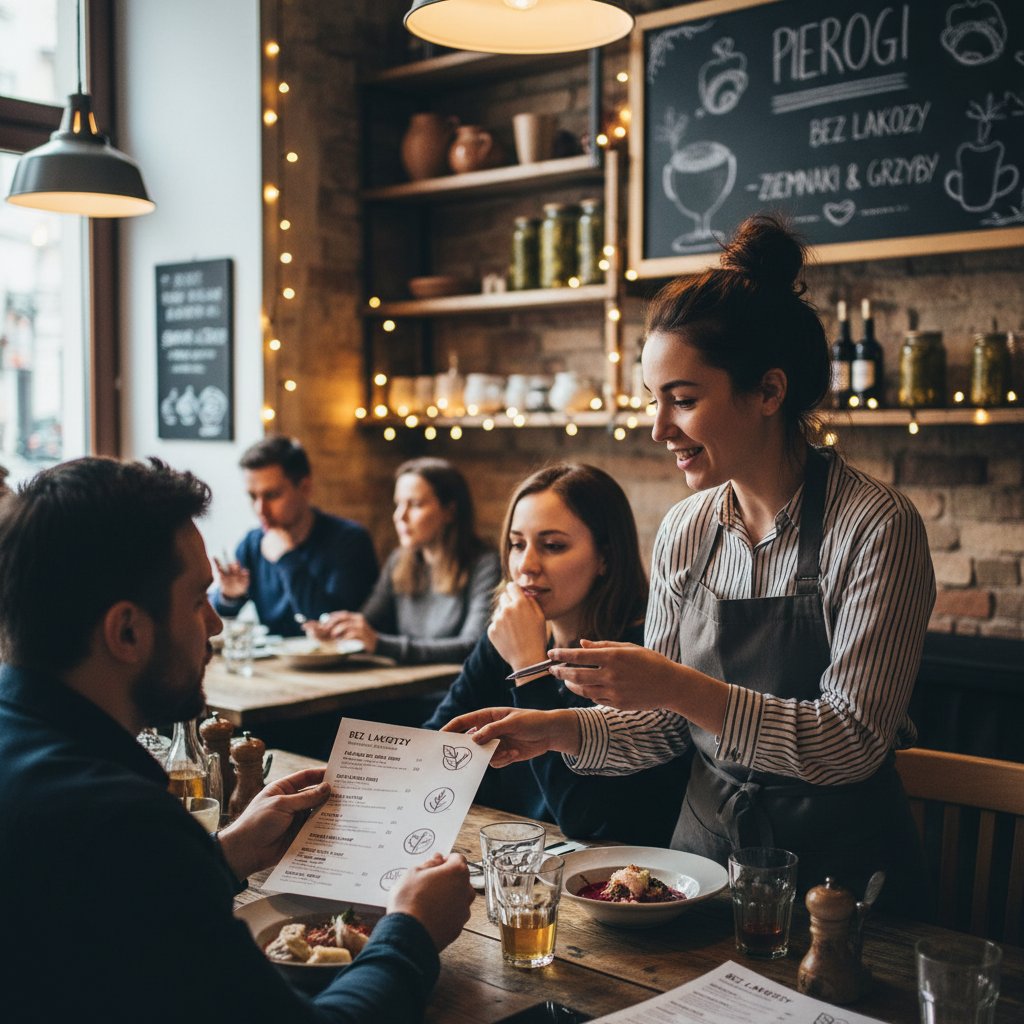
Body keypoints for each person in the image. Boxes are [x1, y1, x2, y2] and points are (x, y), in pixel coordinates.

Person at [444, 216, 936, 918]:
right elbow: (666, 728)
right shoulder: (687, 528)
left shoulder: (877, 528)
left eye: (684, 399)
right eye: (655, 400)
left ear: (768, 392)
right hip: (701, 870)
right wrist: (558, 731)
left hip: (843, 886)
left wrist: (678, 685)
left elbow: (850, 743)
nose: (658, 429)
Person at [0, 456, 473, 1023]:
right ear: (127, 630)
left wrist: (225, 854)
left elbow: (117, 910)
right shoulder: (120, 821)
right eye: (199, 599)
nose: (216, 623)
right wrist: (412, 932)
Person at [425, 463, 690, 847]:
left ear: (605, 558)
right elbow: (435, 741)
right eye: (517, 544)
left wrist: (530, 670)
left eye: (552, 546)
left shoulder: (641, 653)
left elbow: (583, 818)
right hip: (507, 856)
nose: (526, 566)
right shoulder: (509, 635)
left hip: (606, 878)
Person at [311, 457, 500, 664]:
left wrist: (381, 645)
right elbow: (369, 623)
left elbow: (473, 646)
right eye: (398, 504)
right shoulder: (399, 561)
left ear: (450, 511)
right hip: (406, 687)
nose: (399, 516)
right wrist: (339, 630)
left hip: (455, 692)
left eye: (415, 505)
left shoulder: (485, 564)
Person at [213, 435, 379, 636]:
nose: (260, 509)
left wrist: (286, 559)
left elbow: (331, 624)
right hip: (274, 665)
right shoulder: (252, 543)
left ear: (305, 488)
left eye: (272, 495)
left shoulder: (350, 541)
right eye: (252, 496)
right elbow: (215, 615)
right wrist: (230, 596)